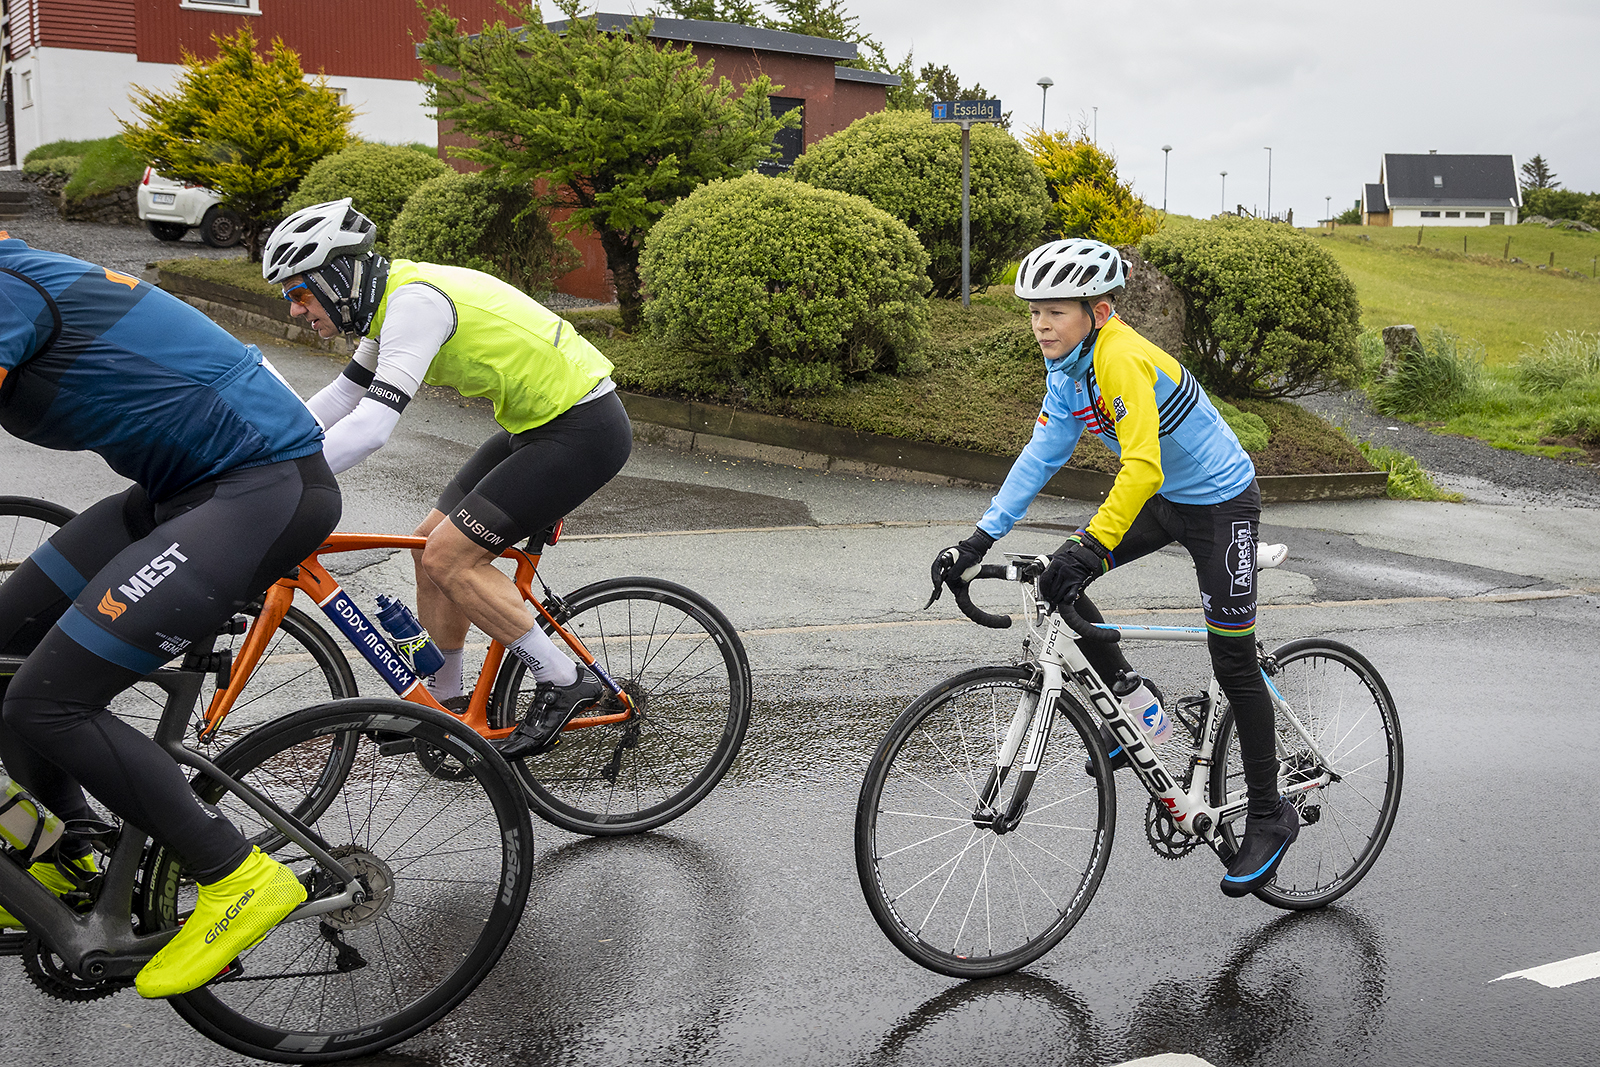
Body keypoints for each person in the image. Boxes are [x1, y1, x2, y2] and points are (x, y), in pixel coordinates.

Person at [0, 233, 342, 995]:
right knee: (4, 653)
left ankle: (238, 873)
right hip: (172, 493)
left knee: (48, 700)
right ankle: (68, 853)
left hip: (259, 488)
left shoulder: (7, 284)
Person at [929, 237, 1295, 897]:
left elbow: (1142, 466)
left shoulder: (1119, 357)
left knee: (1233, 660)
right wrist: (979, 539)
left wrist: (1093, 546)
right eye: (1034, 312)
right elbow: (1042, 453)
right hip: (1164, 499)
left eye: (1055, 312)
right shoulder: (1067, 369)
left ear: (1098, 312)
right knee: (1055, 580)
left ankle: (1270, 813)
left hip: (1220, 504)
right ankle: (1135, 701)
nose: (1041, 325)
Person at [260, 199, 631, 758]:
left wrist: (278, 482)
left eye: (300, 293)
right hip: (536, 426)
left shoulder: (415, 305)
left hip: (583, 429)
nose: (295, 310)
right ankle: (446, 701)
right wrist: (263, 454)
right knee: (426, 545)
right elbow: (341, 399)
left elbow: (371, 427)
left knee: (449, 557)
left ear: (337, 279)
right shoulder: (389, 306)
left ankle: (562, 679)